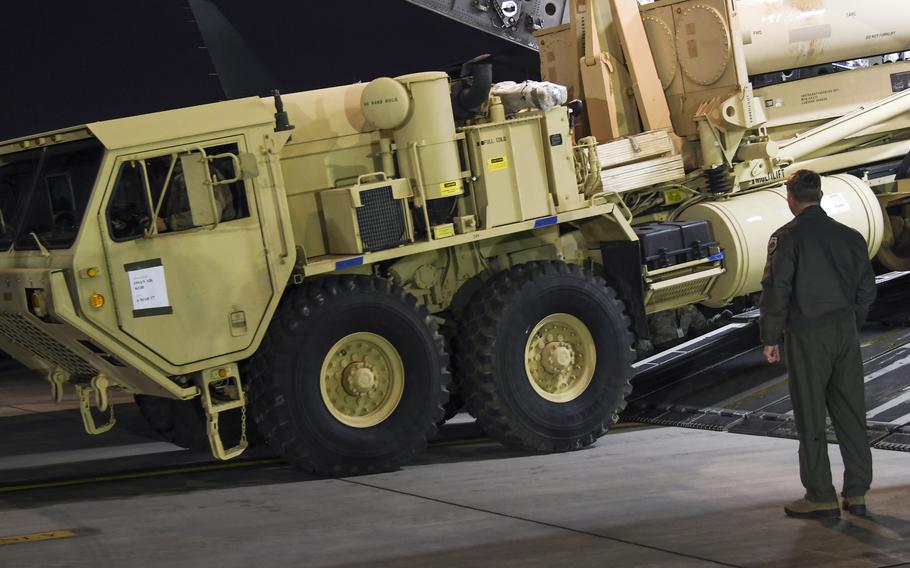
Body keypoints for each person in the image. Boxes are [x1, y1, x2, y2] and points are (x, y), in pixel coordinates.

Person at [760, 169, 877, 519]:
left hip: (807, 335)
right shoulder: (851, 237)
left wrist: (770, 336)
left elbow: (776, 290)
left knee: (811, 415)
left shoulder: (787, 238)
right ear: (821, 195)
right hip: (844, 331)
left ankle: (820, 495)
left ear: (790, 197)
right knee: (851, 414)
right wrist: (851, 322)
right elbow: (867, 289)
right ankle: (857, 493)